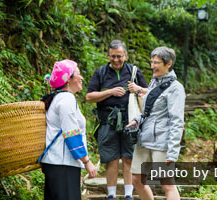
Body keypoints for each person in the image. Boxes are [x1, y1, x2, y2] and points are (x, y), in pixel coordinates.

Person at [86, 40, 148, 200]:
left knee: (129, 158)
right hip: (107, 121)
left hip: (131, 121)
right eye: (112, 56)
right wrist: (110, 92)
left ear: (125, 55)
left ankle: (128, 195)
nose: (115, 60)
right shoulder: (101, 73)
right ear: (109, 56)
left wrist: (138, 89)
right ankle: (111, 195)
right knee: (111, 159)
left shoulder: (134, 71)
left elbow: (149, 94)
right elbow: (89, 97)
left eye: (119, 56)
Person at [126, 47, 186, 200]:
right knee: (136, 180)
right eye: (152, 62)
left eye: (157, 62)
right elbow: (149, 112)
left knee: (167, 184)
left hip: (162, 142)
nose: (152, 65)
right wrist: (137, 120)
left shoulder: (176, 88)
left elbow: (177, 121)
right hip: (144, 139)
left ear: (169, 64)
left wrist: (173, 151)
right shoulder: (153, 82)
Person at [41, 59, 97, 200]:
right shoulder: (66, 100)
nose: (82, 78)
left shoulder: (60, 98)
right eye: (78, 74)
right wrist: (86, 161)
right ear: (68, 79)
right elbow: (71, 134)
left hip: (59, 163)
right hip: (62, 165)